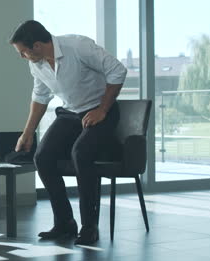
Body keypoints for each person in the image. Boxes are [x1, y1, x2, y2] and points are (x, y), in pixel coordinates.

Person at [9, 20, 127, 245]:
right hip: (72, 113)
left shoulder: (77, 46)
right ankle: (65, 223)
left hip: (102, 110)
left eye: (23, 52)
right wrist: (27, 133)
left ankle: (89, 226)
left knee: (80, 153)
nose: (22, 57)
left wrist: (102, 109)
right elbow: (40, 97)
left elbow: (117, 70)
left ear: (36, 46)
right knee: (42, 157)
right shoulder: (37, 63)